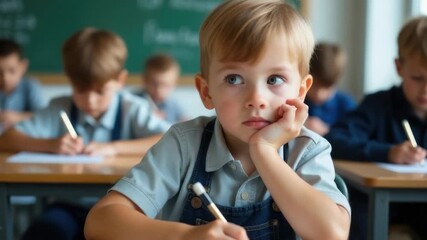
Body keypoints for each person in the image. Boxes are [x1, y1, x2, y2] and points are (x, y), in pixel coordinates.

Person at [84, 1, 351, 240]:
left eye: (274, 79)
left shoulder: (308, 150)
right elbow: (100, 221)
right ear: (206, 91)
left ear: (301, 91)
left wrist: (265, 151)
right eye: (234, 79)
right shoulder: (183, 144)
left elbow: (332, 233)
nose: (256, 98)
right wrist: (186, 236)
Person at [0, 28, 171, 240]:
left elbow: (168, 140)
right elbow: (6, 139)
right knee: (43, 232)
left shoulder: (133, 108)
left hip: (122, 210)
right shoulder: (60, 107)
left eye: (100, 91)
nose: (90, 101)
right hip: (68, 207)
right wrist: (50, 145)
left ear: (120, 79)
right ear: (70, 81)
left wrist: (113, 148)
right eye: (80, 90)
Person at [325, 16, 427, 240]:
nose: (425, 90)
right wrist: (388, 152)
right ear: (399, 67)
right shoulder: (378, 106)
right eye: (418, 78)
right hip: (383, 213)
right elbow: (335, 139)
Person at [304, 42, 356, 136]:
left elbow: (351, 139)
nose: (319, 93)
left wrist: (327, 131)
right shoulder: (299, 99)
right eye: (314, 85)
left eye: (327, 87)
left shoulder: (345, 104)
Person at [0, 38, 47, 133]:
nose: (5, 78)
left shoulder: (31, 86)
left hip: (25, 140)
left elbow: (44, 116)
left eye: (12, 70)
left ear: (23, 66)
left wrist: (17, 117)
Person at [135, 53, 186, 124]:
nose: (159, 90)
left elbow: (184, 120)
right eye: (154, 84)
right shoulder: (134, 102)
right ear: (145, 80)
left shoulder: (173, 105)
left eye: (166, 85)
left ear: (174, 83)